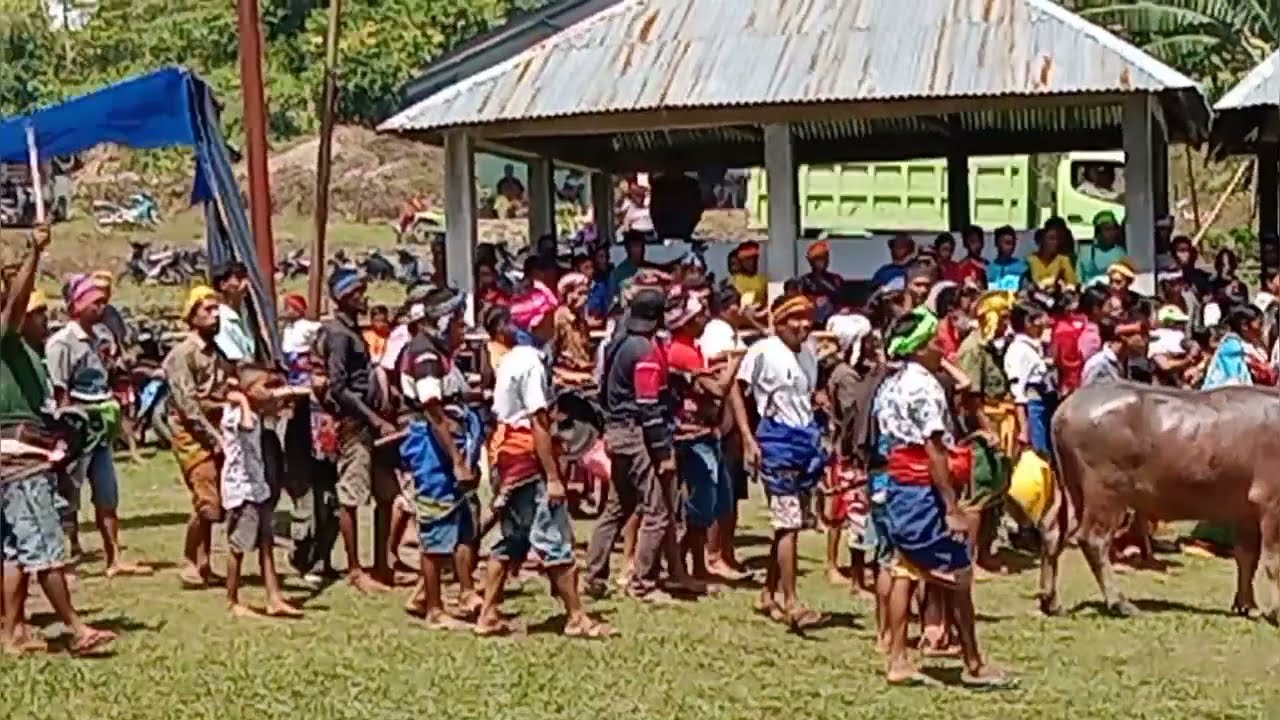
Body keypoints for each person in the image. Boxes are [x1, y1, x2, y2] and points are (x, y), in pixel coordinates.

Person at [875, 307, 1012, 687]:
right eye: (936, 341)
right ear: (919, 348)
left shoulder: (894, 383)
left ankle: (898, 658)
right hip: (924, 491)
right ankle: (973, 663)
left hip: (899, 486)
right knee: (958, 574)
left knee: (904, 568)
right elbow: (934, 450)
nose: (943, 346)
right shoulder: (924, 387)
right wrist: (951, 506)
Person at [1, 225, 118, 656]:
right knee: (47, 546)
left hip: (17, 452)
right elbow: (12, 305)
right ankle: (75, 627)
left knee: (15, 551)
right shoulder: (7, 340)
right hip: (21, 456)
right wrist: (34, 252)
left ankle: (13, 631)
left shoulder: (25, 353)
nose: (43, 320)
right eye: (38, 314)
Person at [476, 286, 613, 638]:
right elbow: (538, 421)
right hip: (526, 455)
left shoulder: (512, 358)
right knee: (554, 536)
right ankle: (576, 616)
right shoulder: (531, 363)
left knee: (514, 538)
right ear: (538, 321)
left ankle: (488, 613)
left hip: (506, 451)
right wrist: (553, 476)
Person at [45, 273, 151, 577]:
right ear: (77, 305)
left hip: (100, 427)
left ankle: (114, 557)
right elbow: (58, 390)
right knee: (67, 495)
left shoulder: (98, 338)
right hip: (76, 429)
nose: (101, 307)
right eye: (95, 302)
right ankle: (62, 555)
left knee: (107, 493)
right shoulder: (62, 343)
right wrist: (66, 431)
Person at [399, 289, 485, 630]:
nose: (463, 331)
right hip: (433, 446)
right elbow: (434, 412)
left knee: (463, 521)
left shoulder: (437, 353)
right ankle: (433, 608)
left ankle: (466, 591)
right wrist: (457, 460)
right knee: (436, 524)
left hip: (451, 441)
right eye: (459, 324)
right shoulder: (424, 355)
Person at [747, 295, 827, 627]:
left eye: (808, 318)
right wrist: (748, 437)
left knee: (788, 524)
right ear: (779, 322)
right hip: (775, 441)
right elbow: (738, 390)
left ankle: (767, 592)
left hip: (804, 442)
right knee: (789, 523)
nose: (803, 324)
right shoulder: (762, 351)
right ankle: (792, 601)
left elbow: (804, 396)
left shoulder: (809, 356)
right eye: (795, 318)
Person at [322, 269, 398, 593]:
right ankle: (355, 569)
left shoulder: (354, 332)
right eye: (356, 292)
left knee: (388, 496)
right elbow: (339, 387)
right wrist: (372, 416)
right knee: (352, 497)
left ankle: (382, 562)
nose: (362, 297)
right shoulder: (339, 335)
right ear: (341, 296)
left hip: (372, 422)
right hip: (355, 424)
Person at [666, 293, 743, 585]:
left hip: (706, 434)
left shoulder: (692, 349)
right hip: (692, 437)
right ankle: (687, 565)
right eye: (698, 316)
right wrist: (735, 362)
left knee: (713, 502)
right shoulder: (682, 352)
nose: (704, 320)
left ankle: (694, 564)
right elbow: (718, 389)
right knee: (701, 503)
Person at [164, 286, 234, 588]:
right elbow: (188, 405)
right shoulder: (182, 355)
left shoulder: (217, 353)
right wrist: (213, 437)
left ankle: (204, 563)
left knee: (214, 500)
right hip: (191, 435)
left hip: (217, 430)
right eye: (208, 310)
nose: (215, 315)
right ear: (192, 317)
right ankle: (190, 558)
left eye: (217, 309)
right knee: (208, 502)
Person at [220, 365, 302, 619]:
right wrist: (243, 401)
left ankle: (273, 597)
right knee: (239, 545)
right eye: (265, 386)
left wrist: (294, 389)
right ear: (247, 391)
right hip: (241, 490)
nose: (271, 392)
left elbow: (277, 395)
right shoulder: (237, 414)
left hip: (258, 488)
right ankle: (232, 599)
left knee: (267, 543)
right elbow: (245, 425)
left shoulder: (253, 410)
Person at [823, 314, 884, 592]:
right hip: (851, 455)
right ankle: (856, 578)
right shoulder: (846, 376)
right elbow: (855, 415)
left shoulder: (856, 372)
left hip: (857, 453)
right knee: (854, 515)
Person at [1004, 301, 1055, 459]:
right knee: (1039, 454)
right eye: (1038, 322)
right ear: (1028, 323)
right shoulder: (1018, 350)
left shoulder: (1034, 347)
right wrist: (1024, 428)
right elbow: (1018, 390)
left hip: (1046, 404)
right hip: (1033, 408)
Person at [552, 272, 595, 387]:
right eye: (580, 293)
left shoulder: (581, 320)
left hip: (584, 377)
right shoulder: (559, 319)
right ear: (567, 293)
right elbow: (552, 356)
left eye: (586, 294)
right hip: (566, 380)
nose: (584, 298)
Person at [210, 260, 256, 363]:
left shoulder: (245, 315)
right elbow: (235, 360)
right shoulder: (220, 321)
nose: (246, 284)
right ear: (223, 285)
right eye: (239, 278)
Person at [1076, 211, 1127, 287]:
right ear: (1098, 233)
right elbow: (1078, 279)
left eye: (1114, 229)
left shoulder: (1121, 253)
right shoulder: (1085, 252)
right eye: (1108, 229)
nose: (1112, 233)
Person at [281, 293, 321, 386]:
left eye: (288, 308)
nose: (286, 311)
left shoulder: (306, 325)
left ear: (297, 309)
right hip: (289, 363)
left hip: (302, 362)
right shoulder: (287, 327)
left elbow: (320, 329)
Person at [800, 241, 843, 322]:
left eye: (826, 258)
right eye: (819, 259)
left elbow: (842, 302)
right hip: (811, 320)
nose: (824, 262)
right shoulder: (804, 281)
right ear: (811, 261)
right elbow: (800, 304)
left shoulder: (836, 279)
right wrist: (814, 301)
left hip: (834, 319)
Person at [985, 226, 1028, 291]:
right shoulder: (989, 269)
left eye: (1013, 243)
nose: (1011, 247)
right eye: (1007, 243)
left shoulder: (1021, 267)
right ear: (996, 243)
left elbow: (1026, 289)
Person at [730, 241, 769, 310]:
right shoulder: (734, 280)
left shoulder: (764, 279)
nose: (751, 262)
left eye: (754, 258)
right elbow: (733, 304)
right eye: (747, 259)